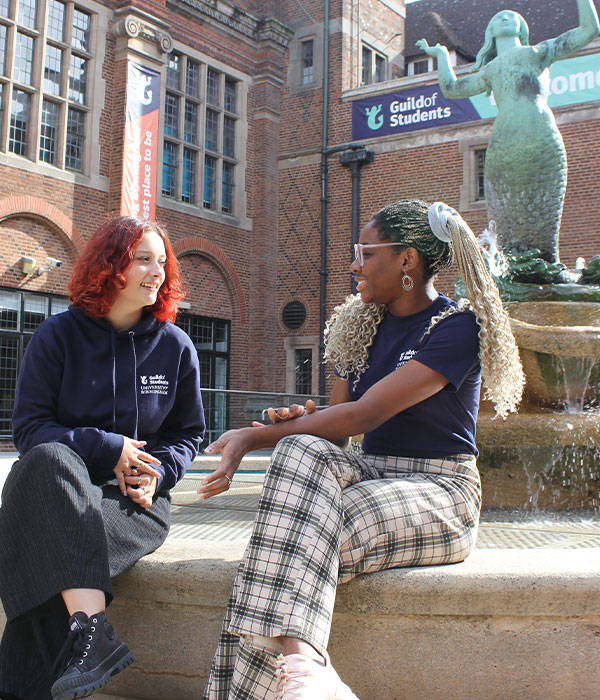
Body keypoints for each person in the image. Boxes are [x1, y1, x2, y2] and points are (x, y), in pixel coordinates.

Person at [198, 200, 524, 700]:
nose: (354, 264)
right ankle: (306, 672)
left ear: (406, 260)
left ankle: (280, 679)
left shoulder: (457, 326)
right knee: (299, 457)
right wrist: (298, 424)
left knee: (283, 545)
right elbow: (335, 433)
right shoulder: (359, 325)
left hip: (440, 490)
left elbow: (366, 414)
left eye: (365, 252)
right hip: (370, 473)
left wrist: (252, 437)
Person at [0, 217, 205, 700]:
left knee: (33, 546)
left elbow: (188, 433)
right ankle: (91, 631)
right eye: (142, 259)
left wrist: (159, 473)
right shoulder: (56, 336)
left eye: (162, 261)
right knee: (51, 459)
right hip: (57, 488)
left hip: (133, 505)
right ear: (109, 266)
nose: (157, 272)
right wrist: (107, 447)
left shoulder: (175, 346)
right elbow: (29, 431)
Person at [416, 0, 600, 263]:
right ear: (490, 32)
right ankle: (514, 273)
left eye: (512, 16)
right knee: (505, 225)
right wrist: (442, 56)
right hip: (502, 147)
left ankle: (547, 266)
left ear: (522, 28)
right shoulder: (490, 70)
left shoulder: (538, 52)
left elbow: (588, 30)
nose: (506, 17)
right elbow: (452, 89)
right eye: (499, 16)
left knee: (544, 212)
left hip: (541, 138)